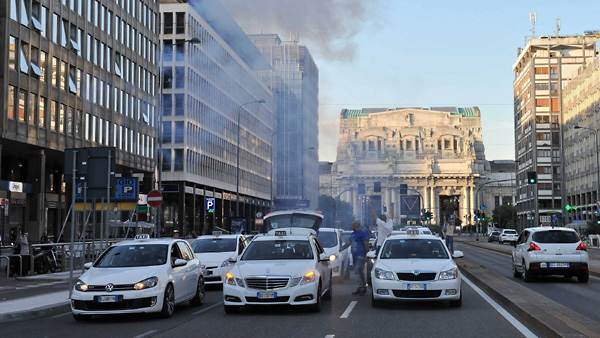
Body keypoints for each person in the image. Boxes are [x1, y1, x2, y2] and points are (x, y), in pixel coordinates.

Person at [340, 221, 370, 296]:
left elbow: (366, 243)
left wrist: (367, 254)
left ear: (357, 226)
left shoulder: (362, 233)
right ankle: (360, 287)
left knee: (359, 269)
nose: (352, 227)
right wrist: (342, 248)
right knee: (356, 272)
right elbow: (349, 242)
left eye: (353, 226)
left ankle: (363, 287)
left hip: (361, 254)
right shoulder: (353, 234)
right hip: (355, 255)